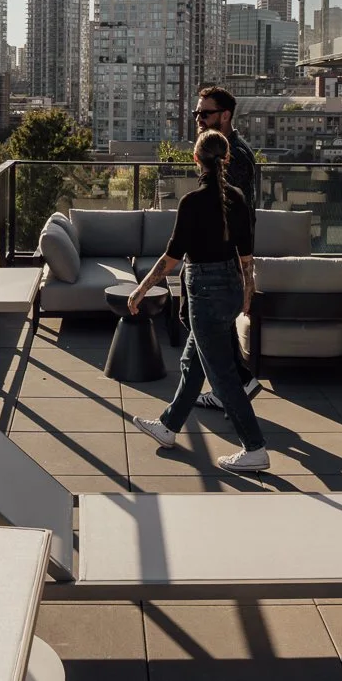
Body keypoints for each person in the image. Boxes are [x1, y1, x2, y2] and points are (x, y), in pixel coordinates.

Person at [129, 129, 269, 473]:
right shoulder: (236, 197)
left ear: (195, 159)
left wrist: (140, 289)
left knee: (221, 376)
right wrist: (248, 293)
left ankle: (255, 448)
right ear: (226, 159)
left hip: (204, 289)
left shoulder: (191, 202)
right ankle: (168, 426)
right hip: (231, 286)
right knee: (193, 363)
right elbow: (246, 255)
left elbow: (172, 257)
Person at [190, 86, 263, 411]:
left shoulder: (235, 156)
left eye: (205, 113)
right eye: (197, 113)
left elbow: (238, 214)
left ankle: (237, 383)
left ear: (225, 115)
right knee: (204, 323)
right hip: (216, 255)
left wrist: (239, 264)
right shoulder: (220, 149)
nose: (199, 119)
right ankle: (225, 385)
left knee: (204, 322)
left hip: (223, 258)